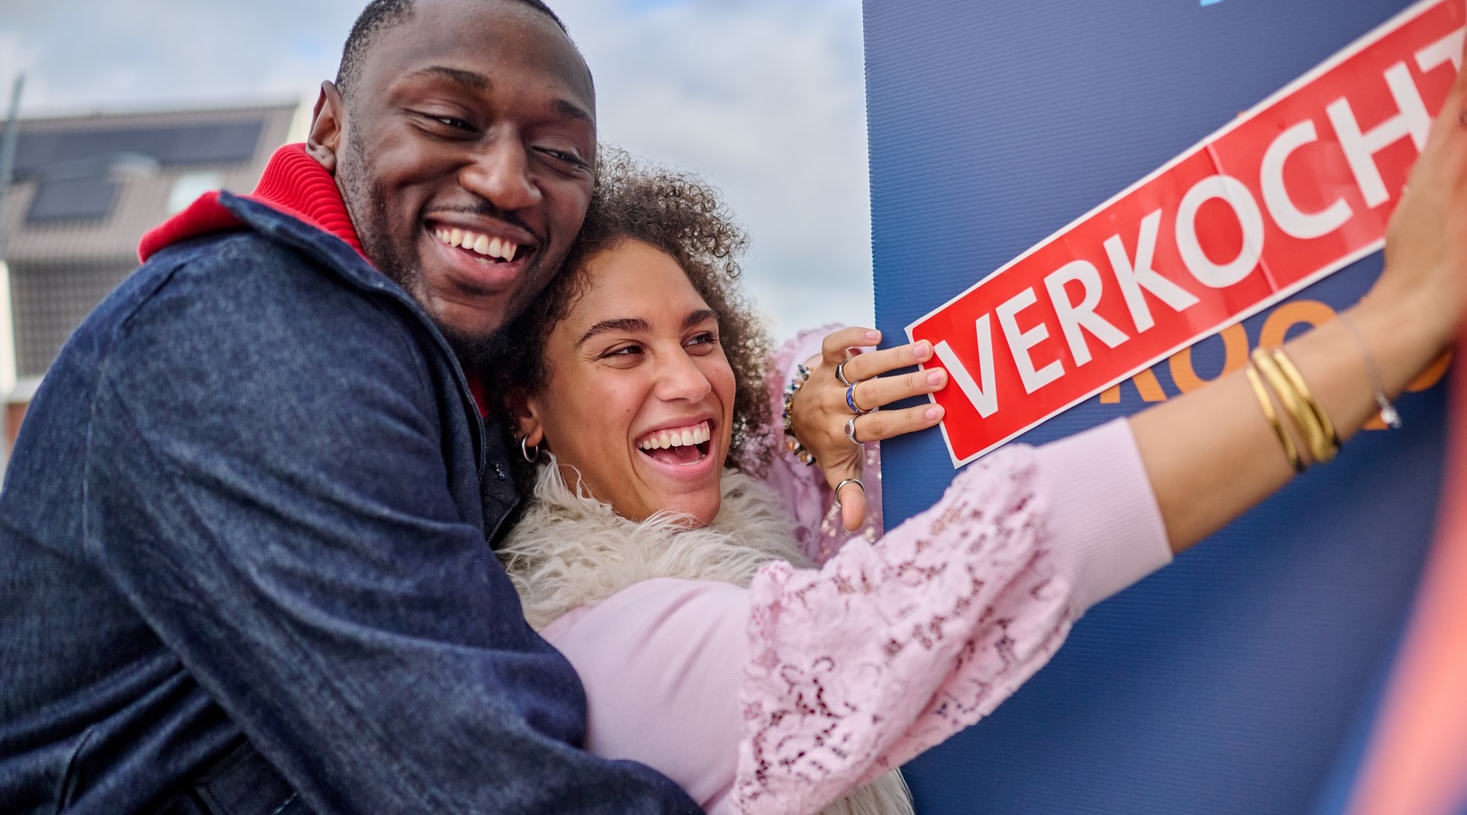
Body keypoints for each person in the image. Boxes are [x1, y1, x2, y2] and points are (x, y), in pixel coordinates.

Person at [491, 65, 1467, 815]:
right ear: (526, 405)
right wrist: (1388, 327)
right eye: (622, 351)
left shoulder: (734, 522)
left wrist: (795, 395)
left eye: (702, 338)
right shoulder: (597, 647)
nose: (684, 379)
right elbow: (984, 559)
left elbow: (792, 421)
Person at [0, 0, 706, 814]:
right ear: (329, 127)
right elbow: (470, 778)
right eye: (450, 121)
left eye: (560, 154)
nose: (509, 182)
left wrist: (804, 403)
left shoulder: (450, 357)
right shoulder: (244, 330)